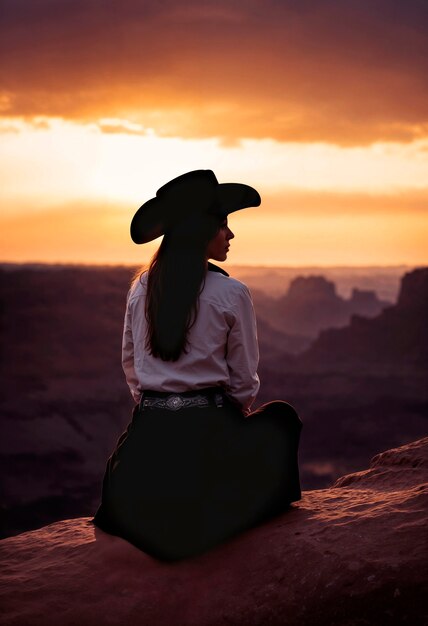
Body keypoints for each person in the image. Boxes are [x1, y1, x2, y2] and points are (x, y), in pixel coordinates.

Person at [92, 170, 302, 561]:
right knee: (282, 419)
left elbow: (130, 364)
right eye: (224, 225)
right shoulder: (231, 292)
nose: (231, 235)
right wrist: (228, 417)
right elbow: (244, 380)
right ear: (203, 229)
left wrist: (156, 407)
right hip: (209, 430)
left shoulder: (141, 288)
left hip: (148, 436)